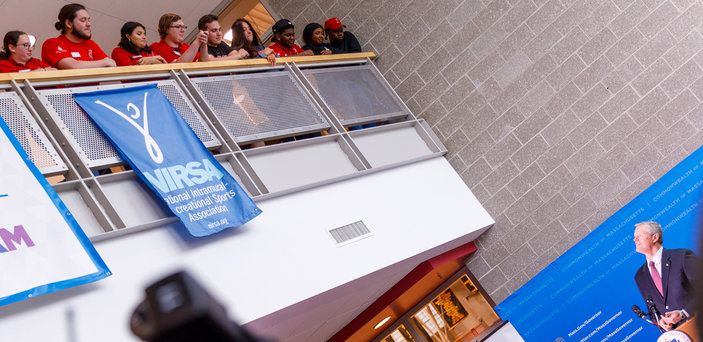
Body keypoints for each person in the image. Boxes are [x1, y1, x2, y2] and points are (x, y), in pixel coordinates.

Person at [633, 221, 700, 331]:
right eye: (635, 237)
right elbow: (652, 310)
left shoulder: (682, 256)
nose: (634, 240)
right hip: (680, 335)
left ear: (655, 237)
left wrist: (684, 313)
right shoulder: (640, 277)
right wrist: (660, 321)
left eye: (639, 236)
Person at [41, 3, 116, 69]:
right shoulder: (52, 43)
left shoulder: (90, 44)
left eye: (88, 20)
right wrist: (104, 62)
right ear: (69, 24)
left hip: (93, 86)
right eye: (83, 20)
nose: (89, 24)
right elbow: (74, 66)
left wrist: (106, 63)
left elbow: (111, 65)